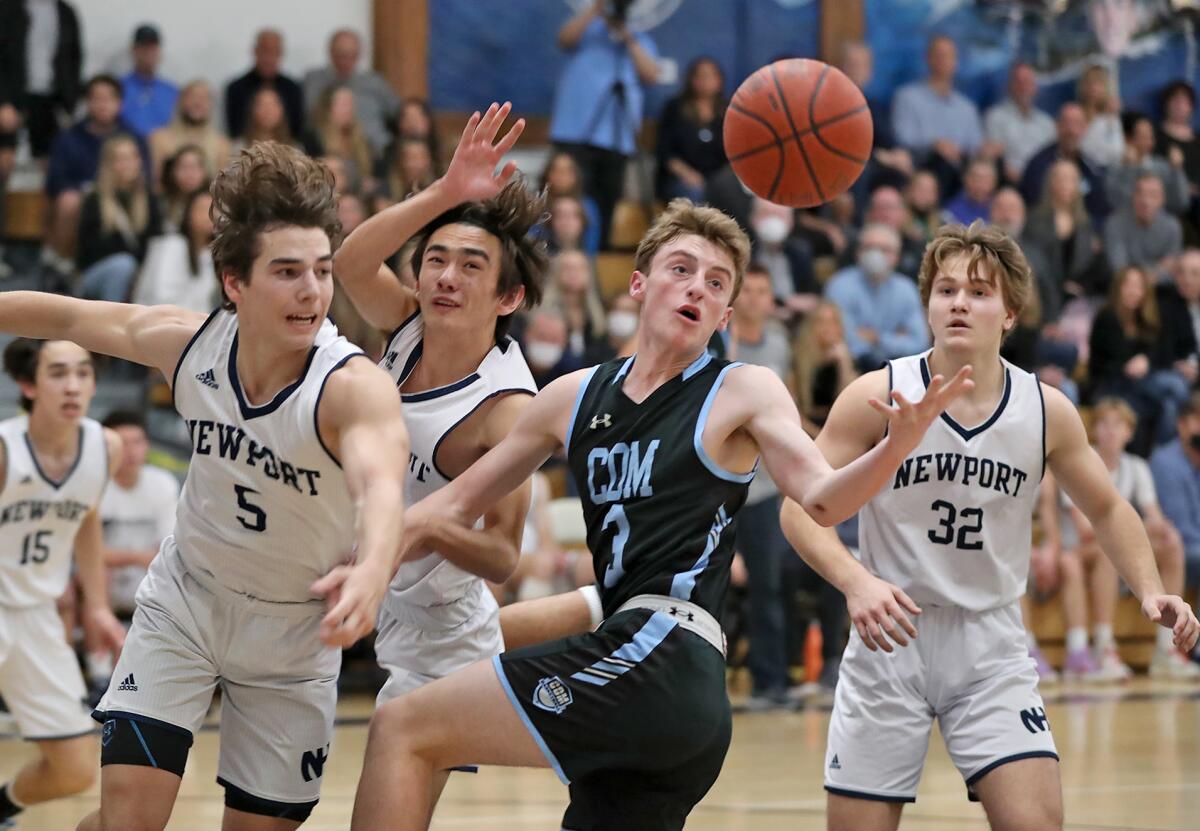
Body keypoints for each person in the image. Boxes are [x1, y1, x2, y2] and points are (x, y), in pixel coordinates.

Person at [348, 187, 973, 830]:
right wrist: (366, 570)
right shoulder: (570, 397)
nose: (697, 288)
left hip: (667, 652)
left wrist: (895, 446)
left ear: (725, 315)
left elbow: (821, 496)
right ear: (640, 286)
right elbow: (445, 508)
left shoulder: (741, 389)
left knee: (403, 723)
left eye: (716, 281)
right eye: (682, 270)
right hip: (637, 672)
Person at [0, 140, 409, 830]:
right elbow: (68, 317)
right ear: (233, 282)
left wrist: (372, 568)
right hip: (185, 604)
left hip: (292, 634)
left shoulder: (350, 387)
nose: (311, 292)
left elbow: (383, 485)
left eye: (321, 270)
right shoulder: (188, 344)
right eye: (286, 272)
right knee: (126, 818)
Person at [779, 221, 1198, 830]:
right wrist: (855, 582)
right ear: (926, 304)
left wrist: (1151, 586)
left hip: (991, 642)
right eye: (945, 289)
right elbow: (799, 508)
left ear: (1009, 313)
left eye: (978, 292)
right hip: (891, 637)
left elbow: (1107, 508)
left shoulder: (1045, 408)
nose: (958, 303)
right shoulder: (877, 393)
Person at [333, 105, 550, 813]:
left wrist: (419, 526)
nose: (446, 276)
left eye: (470, 264)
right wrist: (446, 194)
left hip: (440, 635)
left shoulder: (507, 410)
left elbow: (500, 556)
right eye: (435, 258)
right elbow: (348, 262)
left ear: (508, 295)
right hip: (368, 588)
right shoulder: (403, 327)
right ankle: (604, 605)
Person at [0, 338, 125, 829]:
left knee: (74, 771)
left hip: (34, 615)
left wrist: (96, 605)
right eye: (57, 373)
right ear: (29, 385)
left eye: (83, 372)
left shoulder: (104, 447)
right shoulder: (7, 450)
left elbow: (88, 519)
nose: (73, 385)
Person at [1058, 398, 1198, 679]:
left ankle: (1166, 647)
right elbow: (1088, 529)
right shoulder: (1080, 462)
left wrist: (1162, 529)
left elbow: (1155, 518)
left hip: (1107, 549)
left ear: (1129, 433)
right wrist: (1141, 529)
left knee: (1172, 544)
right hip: (1077, 550)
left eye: (1117, 424)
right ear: (1094, 431)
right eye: (1104, 424)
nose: (1110, 431)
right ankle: (1103, 645)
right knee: (1107, 548)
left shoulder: (1137, 467)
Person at [549, 0, 661, 247]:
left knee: (606, 206)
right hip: (575, 133)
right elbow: (564, 39)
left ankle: (596, 259)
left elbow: (652, 74)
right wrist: (597, 8)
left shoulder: (638, 39)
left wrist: (627, 36)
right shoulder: (589, 30)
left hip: (616, 140)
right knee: (569, 202)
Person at [88, 409, 179, 693]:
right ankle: (98, 673)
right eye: (122, 442)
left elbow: (168, 546)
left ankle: (169, 676)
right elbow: (88, 554)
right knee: (96, 576)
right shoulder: (92, 484)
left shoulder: (162, 483)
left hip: (149, 576)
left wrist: (130, 558)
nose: (130, 451)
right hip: (104, 583)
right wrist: (134, 557)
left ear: (147, 446)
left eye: (137, 442)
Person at [824, 223, 930, 372]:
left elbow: (919, 343)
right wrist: (896, 338)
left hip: (899, 370)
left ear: (897, 257)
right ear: (857, 253)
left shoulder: (906, 288)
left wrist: (877, 338)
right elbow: (845, 341)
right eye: (868, 248)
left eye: (884, 250)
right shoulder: (840, 285)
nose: (875, 254)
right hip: (853, 370)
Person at [75, 133, 162, 303]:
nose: (128, 164)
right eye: (121, 159)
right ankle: (111, 320)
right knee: (123, 265)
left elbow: (154, 242)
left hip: (138, 273)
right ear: (109, 164)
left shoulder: (149, 199)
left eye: (132, 157)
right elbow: (86, 253)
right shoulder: (95, 199)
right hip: (96, 274)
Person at [0, 0, 83, 160]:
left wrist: (70, 102)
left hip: (50, 96)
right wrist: (3, 101)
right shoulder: (8, 8)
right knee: (5, 157)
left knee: (50, 158)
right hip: (14, 95)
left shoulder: (65, 12)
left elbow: (74, 57)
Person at [302, 29, 399, 158]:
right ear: (331, 52)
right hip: (327, 151)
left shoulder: (375, 82)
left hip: (375, 152)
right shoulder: (313, 80)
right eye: (342, 55)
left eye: (353, 56)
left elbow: (398, 113)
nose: (346, 61)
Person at [654, 57, 727, 202]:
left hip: (718, 179)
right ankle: (699, 225)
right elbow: (664, 152)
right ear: (691, 79)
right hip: (682, 179)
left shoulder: (729, 111)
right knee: (694, 192)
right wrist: (686, 173)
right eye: (700, 76)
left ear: (719, 81)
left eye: (710, 76)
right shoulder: (675, 108)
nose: (705, 81)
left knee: (732, 193)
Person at [224, 29, 305, 141]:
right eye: (265, 51)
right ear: (255, 51)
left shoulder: (293, 89)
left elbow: (298, 130)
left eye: (274, 52)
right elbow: (232, 130)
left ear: (281, 53)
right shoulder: (236, 89)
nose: (268, 58)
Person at [983, 62, 1056, 184]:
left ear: (1035, 87)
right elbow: (994, 154)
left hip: (1042, 183)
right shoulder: (995, 117)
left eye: (1028, 82)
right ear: (1010, 86)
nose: (1024, 87)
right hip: (1009, 181)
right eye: (1019, 82)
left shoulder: (1047, 123)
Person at [148, 79, 230, 185]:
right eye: (192, 97)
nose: (198, 102)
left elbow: (223, 187)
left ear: (211, 105)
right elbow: (155, 184)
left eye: (204, 98)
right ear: (180, 101)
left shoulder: (222, 145)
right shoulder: (159, 139)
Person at [119, 25, 178, 139]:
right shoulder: (118, 88)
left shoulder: (172, 92)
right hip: (125, 150)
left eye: (152, 48)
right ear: (133, 51)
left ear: (159, 52)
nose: (147, 53)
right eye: (143, 48)